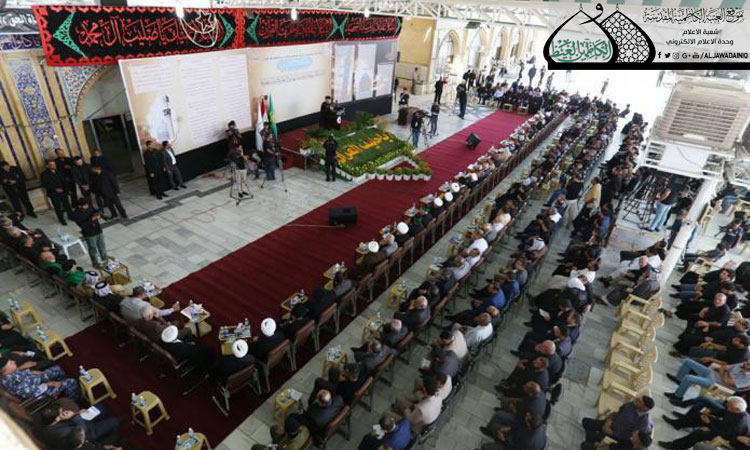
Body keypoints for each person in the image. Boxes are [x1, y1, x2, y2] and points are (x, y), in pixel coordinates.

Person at [658, 396, 750, 449]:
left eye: (729, 406)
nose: (728, 407)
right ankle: (678, 424)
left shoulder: (740, 423)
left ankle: (675, 446)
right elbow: (724, 412)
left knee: (699, 433)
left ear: (737, 409)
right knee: (700, 416)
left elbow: (725, 434)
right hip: (723, 427)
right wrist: (711, 411)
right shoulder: (736, 410)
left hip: (728, 437)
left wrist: (709, 423)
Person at [581, 396, 654, 444]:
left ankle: (595, 440)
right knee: (585, 421)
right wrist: (608, 422)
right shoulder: (632, 404)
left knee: (590, 438)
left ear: (645, 408)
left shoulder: (644, 423)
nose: (636, 399)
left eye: (639, 401)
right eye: (639, 399)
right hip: (610, 424)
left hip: (616, 436)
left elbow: (631, 438)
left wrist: (612, 433)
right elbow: (618, 412)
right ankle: (596, 438)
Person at [0, 357, 80, 401]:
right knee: (72, 382)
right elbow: (31, 393)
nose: (14, 361)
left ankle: (63, 389)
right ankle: (73, 400)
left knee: (57, 369)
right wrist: (49, 383)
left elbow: (21, 374)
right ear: (5, 370)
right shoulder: (14, 382)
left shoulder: (9, 373)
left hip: (36, 381)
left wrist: (32, 372)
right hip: (40, 393)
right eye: (11, 363)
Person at [70, 199, 108, 267]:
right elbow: (83, 225)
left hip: (98, 230)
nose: (87, 206)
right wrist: (92, 219)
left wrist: (99, 213)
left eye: (87, 205)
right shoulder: (76, 214)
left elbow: (95, 211)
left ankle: (105, 258)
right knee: (93, 249)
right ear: (79, 206)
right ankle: (95, 263)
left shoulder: (90, 208)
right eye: (85, 205)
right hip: (89, 234)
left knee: (102, 246)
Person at [41, 160, 73, 225]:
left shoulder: (59, 171)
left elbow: (64, 181)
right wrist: (55, 189)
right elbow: (45, 184)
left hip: (63, 191)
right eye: (51, 165)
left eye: (54, 164)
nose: (53, 166)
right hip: (54, 193)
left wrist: (67, 189)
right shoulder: (44, 174)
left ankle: (71, 216)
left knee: (67, 205)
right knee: (57, 207)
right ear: (47, 166)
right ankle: (61, 219)